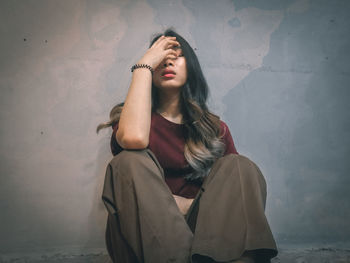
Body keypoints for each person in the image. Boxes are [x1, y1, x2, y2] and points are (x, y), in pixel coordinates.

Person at [96, 28, 278, 263]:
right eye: (160, 56)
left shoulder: (214, 128)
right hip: (146, 237)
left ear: (190, 67)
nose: (168, 60)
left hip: (206, 239)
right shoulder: (131, 119)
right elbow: (135, 140)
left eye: (176, 54)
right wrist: (143, 67)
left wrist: (187, 205)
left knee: (240, 165)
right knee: (128, 161)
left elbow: (235, 197)